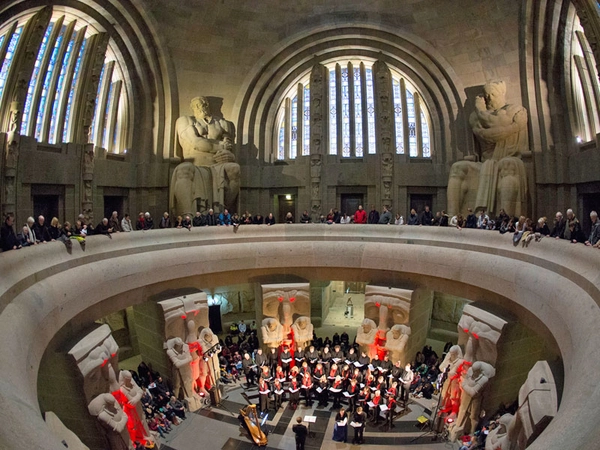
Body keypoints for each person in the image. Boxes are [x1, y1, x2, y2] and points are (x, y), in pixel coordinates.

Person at [171, 96, 240, 216]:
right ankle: (187, 215)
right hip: (195, 164)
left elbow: (229, 147)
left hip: (217, 165)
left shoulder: (223, 124)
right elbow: (196, 142)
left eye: (203, 103)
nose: (201, 106)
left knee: (234, 169)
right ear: (192, 108)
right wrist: (221, 147)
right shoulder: (185, 120)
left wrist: (229, 156)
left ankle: (224, 211)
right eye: (197, 105)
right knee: (184, 169)